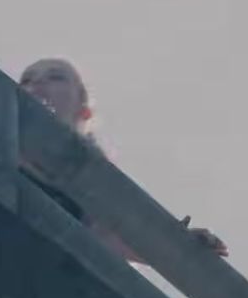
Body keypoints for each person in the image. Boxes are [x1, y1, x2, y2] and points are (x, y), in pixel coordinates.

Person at [16, 58, 228, 262]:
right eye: (26, 80)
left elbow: (112, 238)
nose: (37, 83)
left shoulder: (90, 184)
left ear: (84, 109)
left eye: (56, 77)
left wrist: (181, 245)